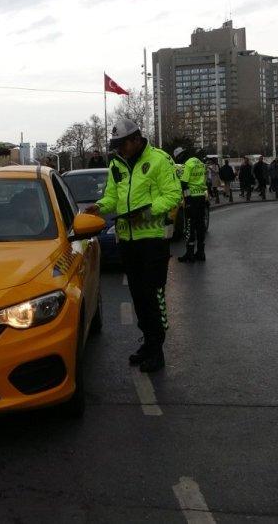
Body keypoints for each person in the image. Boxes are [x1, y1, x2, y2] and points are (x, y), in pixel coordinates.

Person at [85, 118, 180, 373]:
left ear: (136, 139)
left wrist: (146, 213)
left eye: (122, 145)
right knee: (138, 296)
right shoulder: (117, 164)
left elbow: (173, 195)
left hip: (152, 241)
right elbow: (112, 197)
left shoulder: (159, 160)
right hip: (127, 241)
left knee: (152, 295)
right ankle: (147, 343)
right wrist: (100, 207)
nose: (119, 150)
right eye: (116, 146)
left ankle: (157, 350)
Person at [177, 152, 208, 263]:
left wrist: (187, 199)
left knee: (190, 225)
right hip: (201, 197)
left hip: (192, 199)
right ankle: (201, 252)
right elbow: (204, 180)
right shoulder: (201, 164)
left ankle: (189, 253)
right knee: (200, 225)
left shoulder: (188, 164)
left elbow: (184, 183)